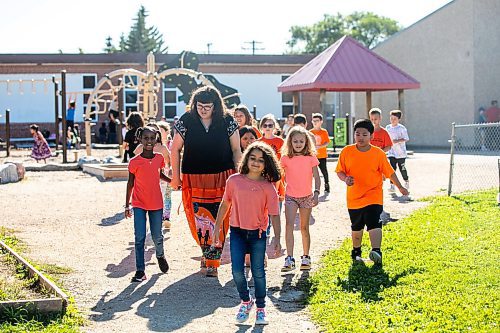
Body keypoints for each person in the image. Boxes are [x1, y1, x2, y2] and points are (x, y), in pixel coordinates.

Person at [171, 86, 241, 277]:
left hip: (223, 176)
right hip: (194, 176)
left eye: (207, 106)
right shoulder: (186, 120)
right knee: (199, 219)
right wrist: (176, 177)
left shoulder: (227, 120)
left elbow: (236, 150)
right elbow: (175, 148)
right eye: (199, 105)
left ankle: (213, 262)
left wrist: (239, 175)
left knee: (220, 218)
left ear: (215, 105)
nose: (202, 109)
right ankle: (207, 252)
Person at [213, 141, 282, 325]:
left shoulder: (269, 187)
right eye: (252, 158)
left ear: (266, 164)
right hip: (237, 232)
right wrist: (217, 227)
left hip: (258, 234)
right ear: (246, 159)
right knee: (237, 271)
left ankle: (261, 307)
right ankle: (246, 301)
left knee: (258, 272)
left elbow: (275, 214)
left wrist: (277, 238)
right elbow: (225, 204)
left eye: (261, 160)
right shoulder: (234, 181)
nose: (256, 162)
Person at [335, 119, 409, 265]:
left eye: (364, 134)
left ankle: (376, 251)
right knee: (357, 227)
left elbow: (390, 172)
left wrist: (400, 186)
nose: (360, 137)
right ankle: (356, 252)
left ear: (371, 136)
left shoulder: (378, 153)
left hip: (373, 195)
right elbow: (339, 171)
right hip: (354, 197)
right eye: (357, 134)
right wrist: (345, 179)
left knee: (374, 222)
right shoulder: (347, 151)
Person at [125, 126, 170, 282]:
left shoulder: (159, 158)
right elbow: (130, 183)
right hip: (139, 203)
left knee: (157, 235)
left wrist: (173, 182)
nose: (149, 141)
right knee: (140, 237)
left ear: (156, 139)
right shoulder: (134, 162)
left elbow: (160, 174)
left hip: (156, 202)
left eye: (152, 138)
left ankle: (160, 255)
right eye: (146, 138)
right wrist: (126, 205)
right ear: (140, 139)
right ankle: (140, 271)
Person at [280, 126, 321, 271]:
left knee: (304, 227)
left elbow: (317, 177)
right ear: (290, 142)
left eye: (301, 141)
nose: (298, 144)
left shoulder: (311, 158)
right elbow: (280, 176)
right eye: (295, 141)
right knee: (289, 225)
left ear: (306, 142)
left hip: (306, 197)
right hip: (290, 196)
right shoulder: (285, 158)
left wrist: (316, 193)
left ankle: (306, 257)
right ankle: (289, 258)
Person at [369, 108, 393, 223]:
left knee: (379, 185)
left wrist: (381, 151)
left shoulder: (384, 132)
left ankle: (379, 208)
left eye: (376, 119)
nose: (374, 121)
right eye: (372, 119)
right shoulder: (368, 132)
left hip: (380, 162)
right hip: (369, 163)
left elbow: (389, 146)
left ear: (380, 119)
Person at [385, 110, 410, 192]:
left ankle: (406, 181)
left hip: (401, 153)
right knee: (392, 169)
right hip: (391, 152)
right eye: (391, 118)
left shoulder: (402, 128)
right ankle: (392, 185)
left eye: (394, 119)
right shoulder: (388, 127)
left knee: (402, 168)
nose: (392, 120)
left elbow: (406, 138)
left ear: (398, 119)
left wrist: (397, 140)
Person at [310, 113, 331, 193]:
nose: (315, 122)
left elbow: (327, 142)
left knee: (324, 171)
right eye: (314, 121)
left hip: (322, 155)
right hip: (313, 156)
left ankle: (326, 184)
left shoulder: (324, 132)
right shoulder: (310, 132)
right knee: (311, 173)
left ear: (321, 122)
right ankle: (310, 187)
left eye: (317, 121)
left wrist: (320, 146)